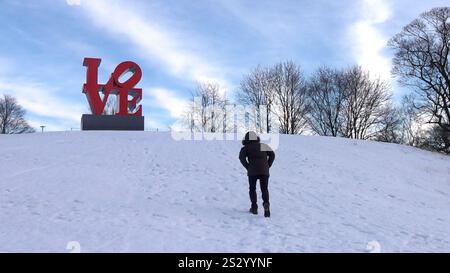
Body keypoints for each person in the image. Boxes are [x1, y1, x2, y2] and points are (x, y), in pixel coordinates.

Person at [239, 131, 275, 217]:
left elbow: (241, 158)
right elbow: (272, 155)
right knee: (264, 188)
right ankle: (266, 204)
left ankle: (254, 207)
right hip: (264, 171)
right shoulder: (263, 146)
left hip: (252, 171)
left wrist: (248, 167)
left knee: (252, 189)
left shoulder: (246, 148)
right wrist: (268, 165)